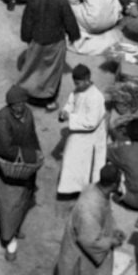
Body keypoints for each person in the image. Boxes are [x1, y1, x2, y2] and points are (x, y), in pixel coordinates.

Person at [56, 164, 125, 275]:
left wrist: (113, 230)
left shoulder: (97, 190)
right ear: (114, 184)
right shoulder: (89, 206)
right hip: (81, 258)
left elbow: (106, 215)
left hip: (89, 251)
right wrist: (111, 242)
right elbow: (89, 241)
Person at [0, 86, 41, 263]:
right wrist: (26, 155)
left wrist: (36, 153)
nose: (19, 107)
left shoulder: (28, 114)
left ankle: (14, 228)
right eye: (15, 105)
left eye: (22, 103)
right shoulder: (2, 120)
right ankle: (9, 239)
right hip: (6, 170)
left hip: (23, 169)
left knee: (23, 201)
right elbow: (5, 149)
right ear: (9, 105)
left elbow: (32, 136)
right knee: (7, 205)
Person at [17, 0, 81, 111]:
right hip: (55, 41)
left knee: (32, 68)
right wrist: (73, 35)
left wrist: (27, 38)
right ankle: (48, 100)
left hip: (37, 40)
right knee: (52, 72)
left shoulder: (33, 0)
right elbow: (69, 21)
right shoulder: (61, 1)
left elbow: (27, 22)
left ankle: (27, 92)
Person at [57, 64, 107, 196]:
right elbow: (70, 103)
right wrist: (64, 112)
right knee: (71, 161)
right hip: (78, 131)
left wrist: (71, 118)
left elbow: (91, 122)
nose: (76, 86)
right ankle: (73, 188)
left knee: (87, 166)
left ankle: (86, 190)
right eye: (75, 83)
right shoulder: (77, 91)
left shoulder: (96, 97)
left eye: (78, 83)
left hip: (91, 136)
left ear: (87, 79)